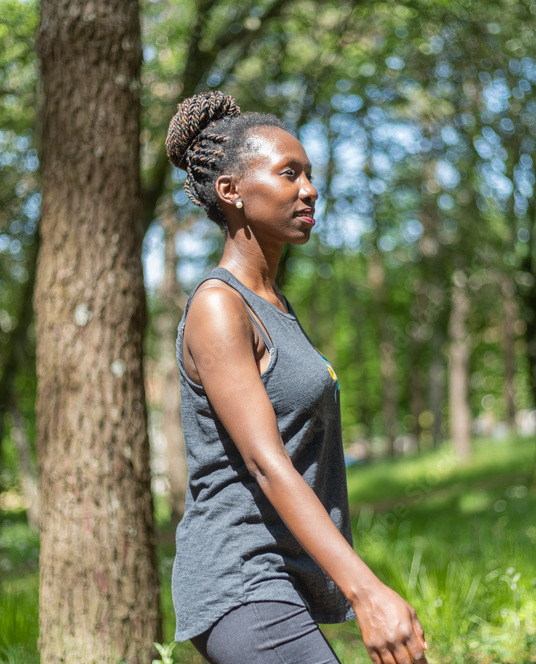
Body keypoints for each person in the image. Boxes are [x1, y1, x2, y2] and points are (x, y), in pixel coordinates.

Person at [165, 90, 429, 664]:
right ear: (230, 191)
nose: (309, 189)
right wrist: (367, 593)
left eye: (309, 175)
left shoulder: (274, 304)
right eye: (289, 174)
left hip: (276, 579)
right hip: (239, 579)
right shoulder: (219, 306)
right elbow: (266, 462)